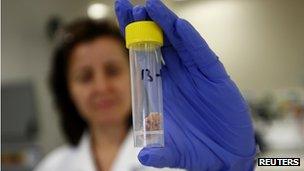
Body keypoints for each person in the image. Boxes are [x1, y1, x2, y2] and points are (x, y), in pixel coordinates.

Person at [36, 0, 256, 171]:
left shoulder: (179, 157)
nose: (102, 87)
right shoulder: (52, 166)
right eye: (85, 77)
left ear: (136, 73)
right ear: (68, 91)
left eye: (112, 70)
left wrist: (238, 167)